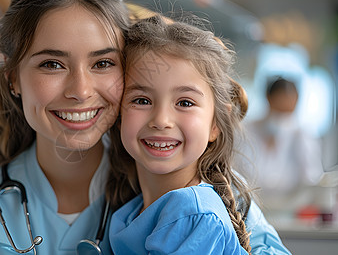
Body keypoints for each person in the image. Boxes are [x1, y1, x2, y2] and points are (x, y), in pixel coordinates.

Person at [0, 0, 291, 255]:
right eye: (52, 64)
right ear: (13, 78)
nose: (80, 90)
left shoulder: (185, 180)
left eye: (102, 63)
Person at [107, 15, 250, 254]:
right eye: (141, 100)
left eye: (185, 102)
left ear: (215, 123)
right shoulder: (132, 210)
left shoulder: (193, 214)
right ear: (119, 114)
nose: (161, 120)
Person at [238, 76, 323, 211]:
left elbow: (311, 178)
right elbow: (239, 172)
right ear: (268, 99)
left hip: (292, 209)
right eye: (279, 108)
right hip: (250, 207)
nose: (283, 117)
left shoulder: (302, 135)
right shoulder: (246, 130)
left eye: (288, 111)